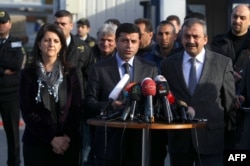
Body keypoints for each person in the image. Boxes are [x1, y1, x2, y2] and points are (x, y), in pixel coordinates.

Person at [160, 18, 235, 166]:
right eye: (187, 36)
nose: (191, 40)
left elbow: (229, 103)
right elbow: (164, 102)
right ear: (181, 38)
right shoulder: (167, 65)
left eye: (196, 36)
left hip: (212, 139)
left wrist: (230, 135)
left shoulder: (223, 63)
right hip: (180, 141)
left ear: (205, 39)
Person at [85, 23, 158, 166]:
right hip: (108, 143)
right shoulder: (99, 69)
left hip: (140, 143)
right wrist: (110, 106)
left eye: (133, 41)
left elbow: (155, 103)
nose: (129, 45)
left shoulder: (150, 69)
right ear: (116, 42)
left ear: (139, 43)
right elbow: (89, 103)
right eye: (125, 41)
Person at [20, 23, 82, 166]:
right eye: (46, 40)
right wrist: (51, 138)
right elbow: (27, 111)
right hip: (37, 143)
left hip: (67, 143)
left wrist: (65, 137)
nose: (51, 44)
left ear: (61, 46)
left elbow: (76, 107)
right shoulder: (28, 73)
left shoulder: (70, 72)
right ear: (39, 44)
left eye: (55, 41)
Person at [53, 10, 95, 166]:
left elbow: (90, 79)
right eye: (56, 23)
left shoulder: (82, 49)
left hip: (74, 109)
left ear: (71, 25)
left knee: (75, 153)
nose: (58, 27)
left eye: (62, 24)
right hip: (51, 107)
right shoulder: (46, 46)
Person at [210, 4, 250, 149]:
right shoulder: (218, 42)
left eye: (242, 18)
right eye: (235, 16)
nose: (237, 20)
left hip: (245, 106)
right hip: (222, 104)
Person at [0, 10, 26, 166]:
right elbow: (9, 65)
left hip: (10, 94)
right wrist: (3, 70)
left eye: (3, 22)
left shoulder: (16, 42)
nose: (1, 26)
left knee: (12, 134)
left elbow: (16, 65)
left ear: (9, 24)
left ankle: (14, 163)